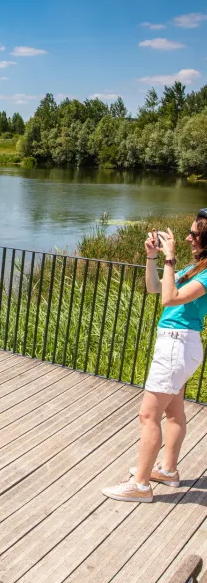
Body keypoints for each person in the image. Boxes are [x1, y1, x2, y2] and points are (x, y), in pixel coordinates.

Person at [103, 213, 207, 503]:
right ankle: (168, 470)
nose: (187, 238)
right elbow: (155, 288)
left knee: (148, 415)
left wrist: (170, 257)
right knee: (173, 412)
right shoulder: (196, 267)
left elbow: (170, 299)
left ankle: (141, 485)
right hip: (177, 346)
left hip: (177, 346)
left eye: (193, 234)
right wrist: (152, 257)